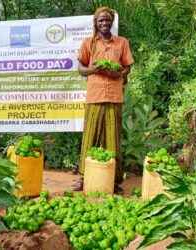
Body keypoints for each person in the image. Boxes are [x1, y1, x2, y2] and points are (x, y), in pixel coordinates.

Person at [73, 7, 134, 192]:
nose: (104, 23)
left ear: (112, 22)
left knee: (112, 137)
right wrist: (95, 69)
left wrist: (119, 74)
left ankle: (114, 180)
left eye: (107, 20)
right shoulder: (88, 43)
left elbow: (127, 67)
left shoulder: (121, 42)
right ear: (96, 23)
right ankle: (83, 177)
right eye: (101, 21)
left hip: (114, 96)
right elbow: (81, 69)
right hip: (95, 95)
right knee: (90, 134)